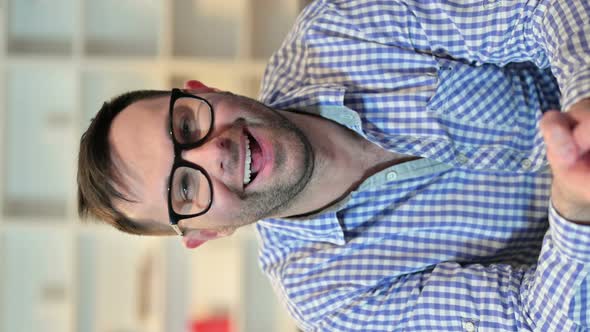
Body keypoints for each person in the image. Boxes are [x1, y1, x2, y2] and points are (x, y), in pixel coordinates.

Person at [77, 0, 590, 330]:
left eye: (187, 126)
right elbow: (531, 320)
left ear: (201, 91)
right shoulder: (327, 301)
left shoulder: (338, 28)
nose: (215, 152)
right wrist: (574, 207)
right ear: (204, 234)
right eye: (186, 189)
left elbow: (540, 10)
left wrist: (585, 93)